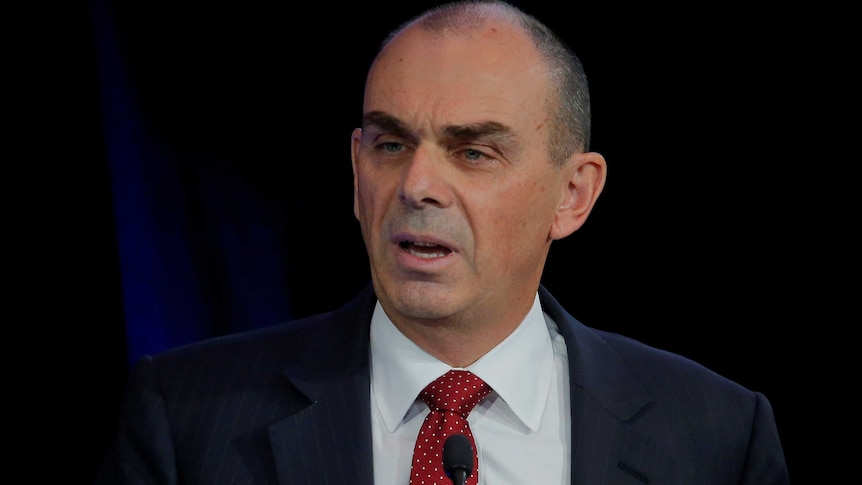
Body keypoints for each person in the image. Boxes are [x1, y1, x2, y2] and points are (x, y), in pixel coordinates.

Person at [95, 1, 789, 483]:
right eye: (391, 143)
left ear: (573, 194)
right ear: (356, 170)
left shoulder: (717, 433)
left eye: (474, 152)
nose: (417, 184)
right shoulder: (185, 417)